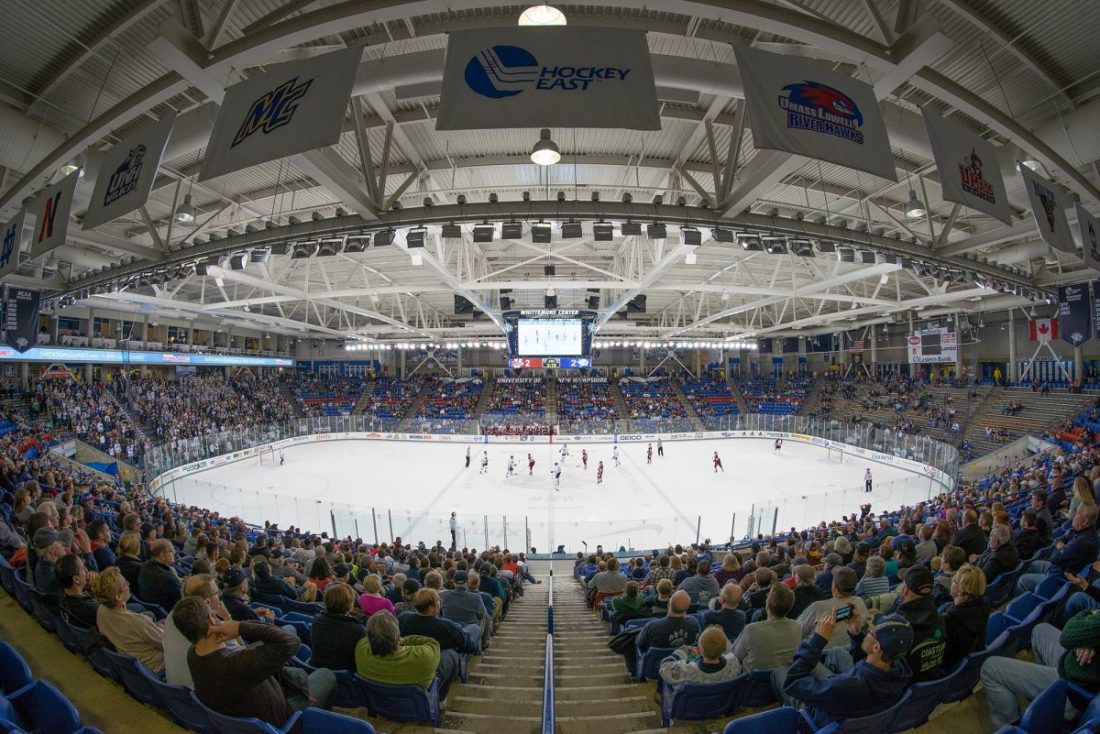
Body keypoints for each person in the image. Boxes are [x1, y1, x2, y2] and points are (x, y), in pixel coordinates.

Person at [174, 596, 335, 724]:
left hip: (243, 713)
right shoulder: (237, 665)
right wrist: (240, 627)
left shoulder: (193, 654)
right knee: (326, 675)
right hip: (282, 719)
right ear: (211, 619)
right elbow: (291, 642)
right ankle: (314, 723)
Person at [778, 609, 914, 728]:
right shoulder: (901, 671)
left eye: (870, 631)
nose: (866, 631)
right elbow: (868, 663)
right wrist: (856, 633)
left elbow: (793, 682)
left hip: (823, 716)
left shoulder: (843, 686)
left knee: (779, 672)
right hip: (859, 705)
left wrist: (818, 640)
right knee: (835, 652)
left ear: (876, 647)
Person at [981, 613, 1100, 729]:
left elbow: (1068, 634)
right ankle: (1043, 704)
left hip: (1074, 692)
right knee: (1040, 630)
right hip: (1074, 664)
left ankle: (1011, 729)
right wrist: (1088, 640)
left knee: (990, 668)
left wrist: (1085, 635)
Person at [356, 609, 460, 702]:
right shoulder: (422, 657)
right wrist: (405, 640)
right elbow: (433, 643)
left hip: (380, 702)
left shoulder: (360, 648)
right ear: (397, 637)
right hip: (414, 703)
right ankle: (440, 700)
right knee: (451, 654)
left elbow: (366, 640)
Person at [93, 566, 166, 674]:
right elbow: (166, 643)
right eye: (125, 583)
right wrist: (163, 626)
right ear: (118, 596)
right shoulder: (138, 622)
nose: (128, 584)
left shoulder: (101, 611)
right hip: (158, 667)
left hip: (135, 665)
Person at [1017, 503, 1099, 594]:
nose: (1073, 516)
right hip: (1061, 568)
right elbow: (1061, 538)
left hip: (1059, 576)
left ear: (1084, 521)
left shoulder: (1081, 542)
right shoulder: (1083, 531)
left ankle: (1034, 600)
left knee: (1022, 580)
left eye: (1076, 514)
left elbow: (1054, 558)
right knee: (1034, 564)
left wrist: (1060, 547)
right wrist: (1061, 545)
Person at [893, 565, 947, 682]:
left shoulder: (897, 626)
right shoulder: (940, 617)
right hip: (931, 682)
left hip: (906, 685)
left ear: (905, 589)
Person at [732, 584, 802, 670]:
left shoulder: (751, 630)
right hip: (785, 680)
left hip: (753, 680)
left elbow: (735, 655)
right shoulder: (797, 627)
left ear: (767, 605)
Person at [796, 567, 869, 649]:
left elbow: (796, 632)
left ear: (834, 586)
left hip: (818, 656)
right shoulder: (860, 602)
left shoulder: (818, 607)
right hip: (850, 652)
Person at [658, 624, 744, 688]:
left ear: (699, 650)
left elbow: (664, 667)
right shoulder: (734, 662)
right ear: (724, 648)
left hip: (693, 708)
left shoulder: (686, 670)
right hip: (720, 702)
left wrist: (682, 652)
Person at [399, 588, 479, 655]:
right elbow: (468, 646)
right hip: (442, 660)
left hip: (411, 655)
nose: (440, 602)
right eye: (438, 600)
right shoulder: (445, 626)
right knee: (475, 628)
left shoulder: (403, 618)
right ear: (431, 607)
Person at [942, 564, 990, 672]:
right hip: (970, 664)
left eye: (954, 581)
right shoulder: (984, 606)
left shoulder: (950, 618)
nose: (951, 583)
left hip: (952, 667)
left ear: (960, 590)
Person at [311, 583, 367, 672]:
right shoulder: (358, 630)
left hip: (315, 666)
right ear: (350, 604)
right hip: (344, 675)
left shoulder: (317, 619)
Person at [138, 538, 182, 612]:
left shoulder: (146, 565)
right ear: (162, 556)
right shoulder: (168, 578)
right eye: (171, 551)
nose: (174, 552)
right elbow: (182, 599)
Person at [57, 553, 98, 629]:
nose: (86, 569)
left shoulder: (63, 598)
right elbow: (114, 612)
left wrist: (87, 587)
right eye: (83, 568)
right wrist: (97, 589)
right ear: (76, 579)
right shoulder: (91, 608)